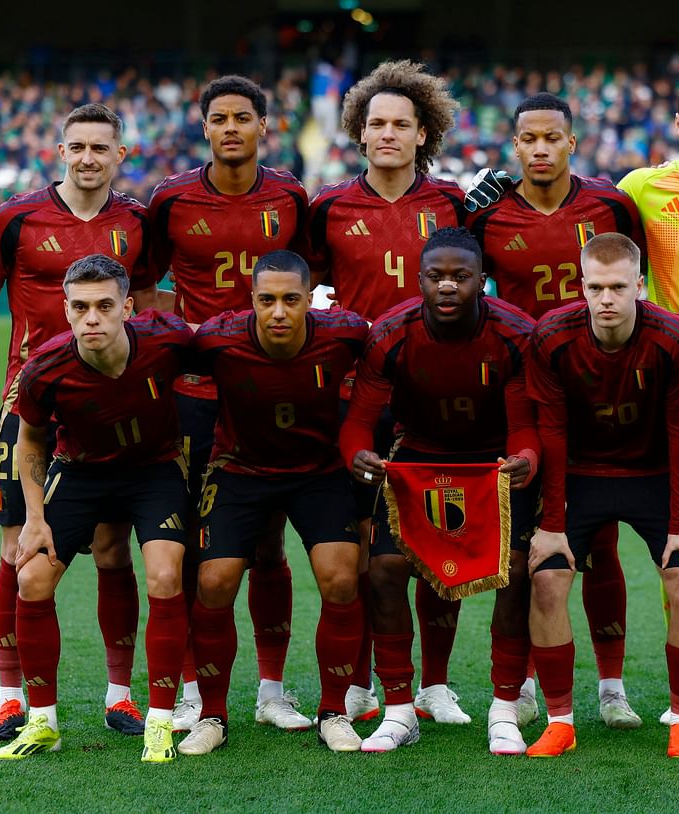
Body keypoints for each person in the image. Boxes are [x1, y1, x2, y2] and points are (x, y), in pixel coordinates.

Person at [467, 74, 679, 724]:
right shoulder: (637, 190)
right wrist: (471, 204)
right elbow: (583, 226)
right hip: (665, 389)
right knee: (674, 545)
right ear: (676, 122)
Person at [0, 103, 157, 742]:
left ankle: (120, 695)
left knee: (111, 546)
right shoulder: (16, 218)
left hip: (109, 410)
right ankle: (11, 697)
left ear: (120, 155)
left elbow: (149, 312)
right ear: (60, 150)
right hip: (29, 406)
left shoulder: (137, 223)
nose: (88, 157)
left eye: (101, 147)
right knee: (17, 550)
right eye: (77, 146)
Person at [467, 92, 648, 729]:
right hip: (520, 398)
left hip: (600, 393)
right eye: (528, 139)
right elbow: (460, 287)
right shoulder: (487, 214)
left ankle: (612, 686)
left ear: (573, 142)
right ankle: (516, 688)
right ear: (514, 145)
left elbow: (635, 290)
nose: (540, 149)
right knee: (521, 555)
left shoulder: (611, 204)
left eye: (552, 138)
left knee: (599, 547)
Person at [305, 60, 470, 725]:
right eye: (377, 124)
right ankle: (368, 681)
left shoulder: (456, 204)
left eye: (403, 125)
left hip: (442, 396)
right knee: (372, 546)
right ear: (358, 131)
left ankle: (435, 684)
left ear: (423, 133)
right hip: (358, 398)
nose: (389, 135)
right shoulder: (328, 208)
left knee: (440, 543)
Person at [149, 75, 310, 732]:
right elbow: (141, 286)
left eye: (244, 117)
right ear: (204, 127)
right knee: (188, 546)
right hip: (193, 396)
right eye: (219, 118)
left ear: (263, 126)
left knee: (268, 545)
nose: (232, 128)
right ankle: (192, 688)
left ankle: (272, 690)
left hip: (268, 391)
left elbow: (308, 285)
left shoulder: (292, 195)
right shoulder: (170, 199)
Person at [340, 227, 540, 755]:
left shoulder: (516, 333)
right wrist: (356, 453)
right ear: (418, 279)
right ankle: (401, 709)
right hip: (419, 459)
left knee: (518, 570)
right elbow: (360, 420)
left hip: (492, 463)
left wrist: (527, 457)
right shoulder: (390, 333)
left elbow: (524, 422)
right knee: (382, 568)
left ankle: (504, 709)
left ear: (482, 281)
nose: (447, 286)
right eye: (436, 277)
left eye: (460, 277)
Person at [0, 255, 190, 763]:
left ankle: (161, 723)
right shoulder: (45, 368)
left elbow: (226, 354)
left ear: (127, 306)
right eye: (80, 308)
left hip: (154, 470)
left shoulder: (168, 339)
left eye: (104, 306)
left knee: (165, 576)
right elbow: (31, 440)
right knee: (31, 578)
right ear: (65, 310)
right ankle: (42, 722)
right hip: (80, 472)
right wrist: (35, 520)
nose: (92, 319)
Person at [176, 250, 370, 756]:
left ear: (311, 300)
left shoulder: (346, 333)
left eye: (290, 300)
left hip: (319, 471)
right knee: (214, 581)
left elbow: (390, 357)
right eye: (267, 300)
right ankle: (212, 716)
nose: (278, 312)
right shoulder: (218, 338)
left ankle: (333, 712)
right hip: (240, 470)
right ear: (251, 302)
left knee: (342, 577)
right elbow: (158, 356)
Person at [525, 233, 679, 759]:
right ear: (581, 287)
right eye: (596, 287)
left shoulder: (672, 338)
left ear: (640, 287)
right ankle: (560, 722)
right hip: (580, 474)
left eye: (618, 287)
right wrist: (553, 521)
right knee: (547, 579)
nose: (606, 299)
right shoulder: (552, 336)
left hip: (652, 474)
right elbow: (552, 431)